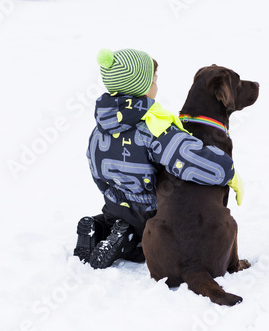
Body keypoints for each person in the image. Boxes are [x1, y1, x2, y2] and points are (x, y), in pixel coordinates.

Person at [74, 48, 243, 269]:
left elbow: (96, 170)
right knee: (146, 239)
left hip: (113, 203)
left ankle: (99, 228)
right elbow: (188, 159)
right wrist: (226, 170)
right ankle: (127, 243)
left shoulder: (99, 130)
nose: (156, 85)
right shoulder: (153, 127)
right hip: (148, 209)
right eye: (153, 80)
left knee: (114, 219)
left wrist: (112, 193)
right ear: (141, 87)